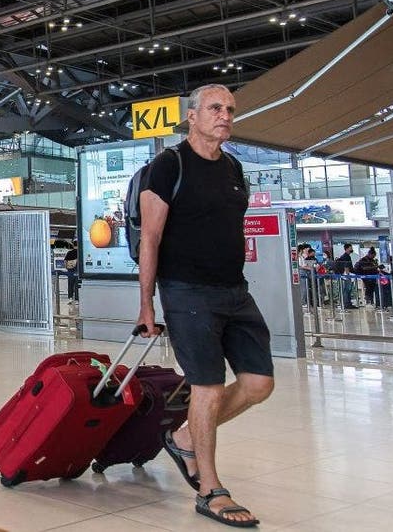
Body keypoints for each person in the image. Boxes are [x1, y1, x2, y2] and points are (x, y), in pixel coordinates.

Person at [136, 83, 272, 528]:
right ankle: (211, 489)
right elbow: (150, 238)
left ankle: (182, 437)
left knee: (258, 384)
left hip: (235, 290)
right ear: (191, 116)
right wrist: (147, 307)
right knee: (207, 388)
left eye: (230, 108)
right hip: (186, 292)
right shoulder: (167, 165)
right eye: (215, 107)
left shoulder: (233, 167)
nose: (225, 115)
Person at [336, 243, 356, 309]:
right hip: (347, 275)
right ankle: (347, 304)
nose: (352, 249)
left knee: (347, 290)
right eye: (351, 247)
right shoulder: (346, 256)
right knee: (347, 289)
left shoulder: (345, 256)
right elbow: (346, 266)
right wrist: (348, 276)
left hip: (346, 274)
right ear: (347, 248)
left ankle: (347, 303)